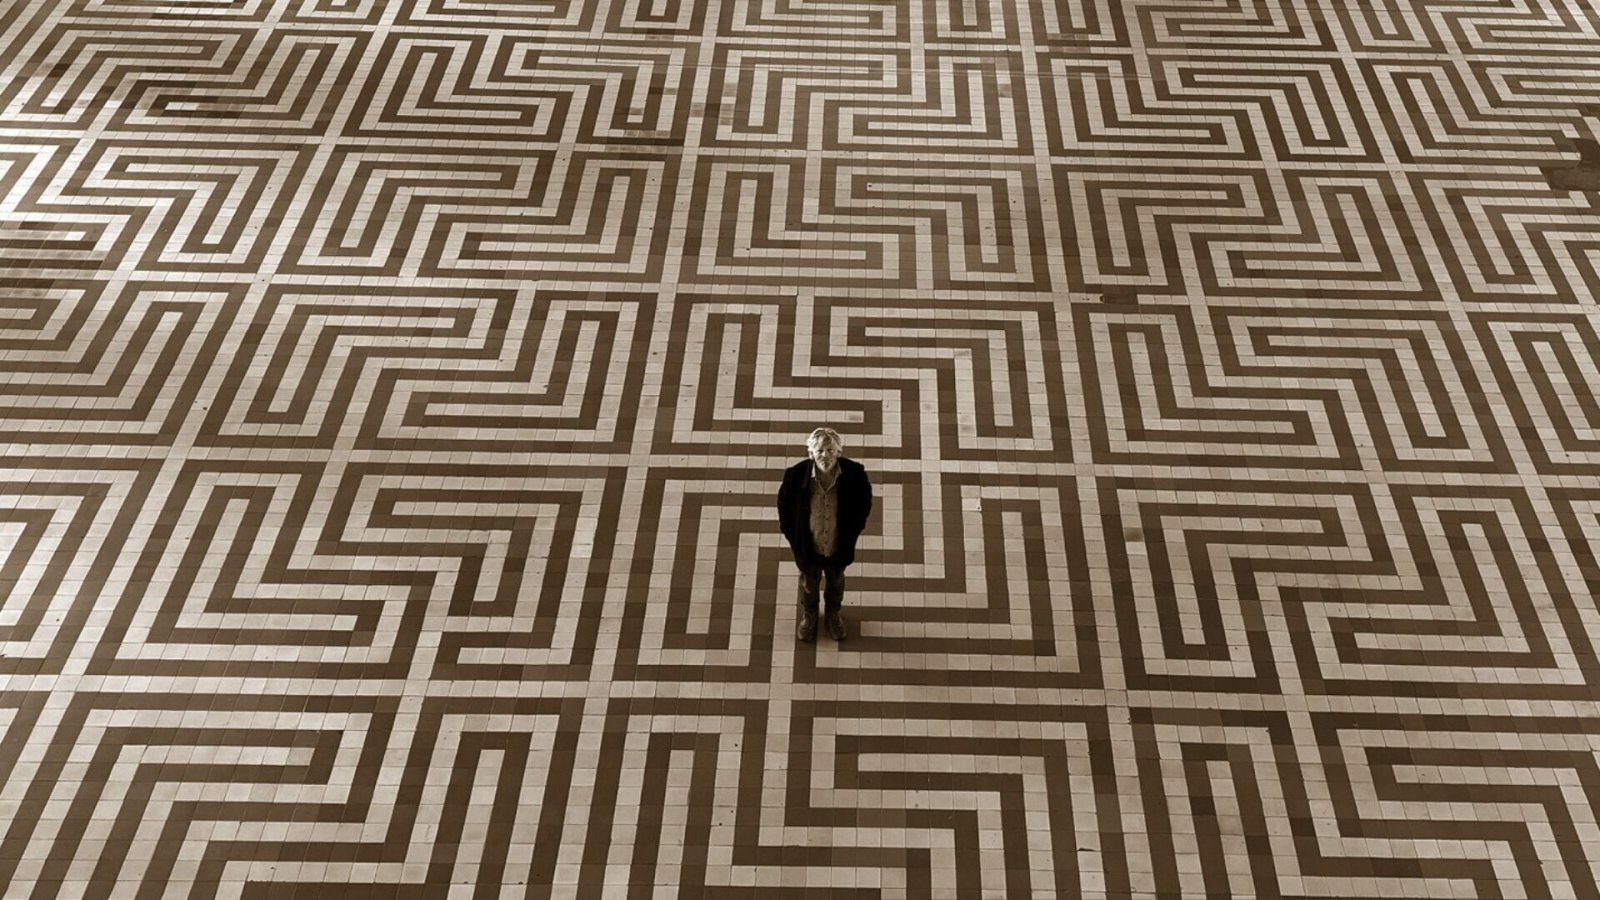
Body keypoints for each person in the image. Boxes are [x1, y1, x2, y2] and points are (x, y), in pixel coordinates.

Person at [776, 427, 873, 642]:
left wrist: (853, 531)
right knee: (808, 585)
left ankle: (832, 613)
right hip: (808, 545)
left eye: (830, 450)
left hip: (838, 545)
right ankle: (810, 615)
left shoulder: (855, 473)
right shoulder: (795, 475)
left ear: (838, 451)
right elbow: (784, 507)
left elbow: (864, 503)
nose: (825, 455)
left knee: (835, 581)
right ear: (811, 453)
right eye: (819, 451)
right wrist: (794, 538)